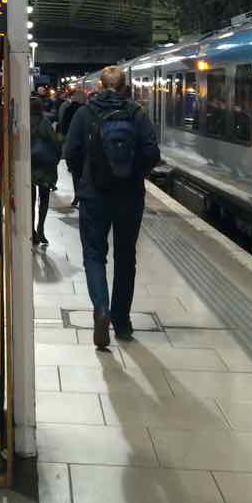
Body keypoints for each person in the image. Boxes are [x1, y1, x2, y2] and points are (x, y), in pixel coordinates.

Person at [62, 65, 160, 350]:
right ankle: (122, 321)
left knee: (94, 255)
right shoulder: (137, 113)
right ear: (126, 87)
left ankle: (101, 308)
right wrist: (134, 173)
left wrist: (84, 176)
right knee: (126, 257)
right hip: (130, 197)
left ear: (99, 87)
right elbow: (152, 153)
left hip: (94, 195)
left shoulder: (85, 113)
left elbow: (70, 152)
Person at [29, 97, 60, 246]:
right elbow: (55, 144)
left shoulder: (24, 122)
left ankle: (31, 230)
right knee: (44, 199)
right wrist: (54, 161)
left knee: (30, 201)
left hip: (29, 167)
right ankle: (41, 227)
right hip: (45, 169)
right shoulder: (45, 122)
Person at [57, 88, 87, 207]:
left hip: (74, 148)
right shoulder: (88, 111)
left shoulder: (68, 109)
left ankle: (77, 196)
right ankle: (84, 195)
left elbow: (63, 127)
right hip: (86, 149)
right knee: (85, 174)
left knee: (76, 175)